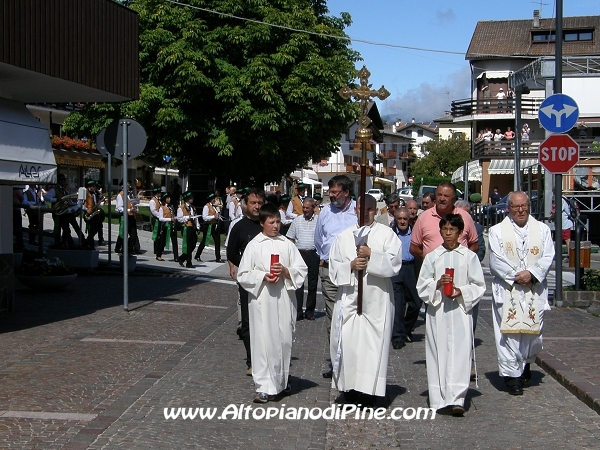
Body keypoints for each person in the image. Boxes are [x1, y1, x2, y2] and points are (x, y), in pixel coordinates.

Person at [329, 195, 402, 405]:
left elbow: (394, 264)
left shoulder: (386, 235)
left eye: (370, 209)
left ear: (376, 211)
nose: (365, 213)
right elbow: (333, 269)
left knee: (373, 347)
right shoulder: (343, 237)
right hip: (351, 299)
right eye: (362, 208)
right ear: (355, 210)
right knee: (349, 343)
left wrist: (372, 255)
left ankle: (370, 391)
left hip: (376, 300)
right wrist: (350, 265)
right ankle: (349, 389)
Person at [237, 203, 307, 403]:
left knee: (283, 341)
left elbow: (301, 269)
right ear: (262, 223)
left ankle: (282, 382)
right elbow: (243, 274)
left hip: (283, 299)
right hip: (262, 301)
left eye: (278, 222)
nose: (276, 226)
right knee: (263, 342)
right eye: (271, 222)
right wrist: (262, 276)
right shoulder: (254, 245)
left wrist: (286, 272)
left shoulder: (287, 244)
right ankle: (263, 387)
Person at [416, 214, 485, 416]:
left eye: (452, 230)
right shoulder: (432, 257)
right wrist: (436, 284)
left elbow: (479, 285)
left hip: (460, 312)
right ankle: (438, 398)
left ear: (460, 232)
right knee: (438, 352)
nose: (448, 233)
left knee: (460, 354)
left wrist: (461, 291)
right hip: (438, 312)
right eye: (444, 229)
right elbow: (421, 285)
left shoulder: (469, 257)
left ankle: (457, 398)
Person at [488, 191, 554, 396]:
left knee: (532, 333)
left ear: (529, 206)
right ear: (508, 208)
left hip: (534, 289)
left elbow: (548, 255)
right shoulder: (497, 231)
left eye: (524, 206)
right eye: (516, 207)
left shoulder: (542, 229)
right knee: (510, 334)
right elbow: (496, 260)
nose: (521, 210)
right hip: (509, 290)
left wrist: (532, 274)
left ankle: (524, 365)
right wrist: (517, 276)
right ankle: (512, 377)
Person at [314, 175, 357, 378]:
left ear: (346, 192)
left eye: (335, 192)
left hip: (353, 272)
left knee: (351, 315)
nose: (331, 196)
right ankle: (335, 362)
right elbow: (318, 239)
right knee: (332, 317)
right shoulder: (324, 212)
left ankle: (352, 360)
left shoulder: (358, 210)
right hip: (330, 271)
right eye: (329, 192)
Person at [227, 188, 266, 376]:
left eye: (259, 203)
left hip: (268, 282)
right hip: (248, 281)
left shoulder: (268, 224)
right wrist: (243, 267)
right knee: (248, 322)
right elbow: (231, 252)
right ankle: (252, 360)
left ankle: (267, 357)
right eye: (253, 203)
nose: (257, 206)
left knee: (267, 321)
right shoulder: (239, 227)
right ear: (246, 205)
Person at [410, 182, 479, 260]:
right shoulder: (423, 217)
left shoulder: (465, 217)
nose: (442, 199)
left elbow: (474, 245)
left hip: (459, 270)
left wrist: (463, 261)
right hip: (434, 270)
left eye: (446, 196)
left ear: (453, 199)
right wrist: (430, 261)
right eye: (439, 195)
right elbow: (414, 248)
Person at [390, 207, 422, 349]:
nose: (402, 221)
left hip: (411, 268)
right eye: (399, 219)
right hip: (396, 269)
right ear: (395, 219)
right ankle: (397, 337)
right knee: (398, 304)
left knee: (416, 302)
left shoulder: (415, 232)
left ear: (409, 219)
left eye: (405, 219)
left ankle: (406, 329)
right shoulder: (390, 234)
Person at [456, 199, 485, 332]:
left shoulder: (476, 227)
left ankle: (469, 334)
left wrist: (469, 261)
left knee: (471, 303)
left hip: (469, 270)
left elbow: (481, 249)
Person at [287, 197, 319, 321]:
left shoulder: (319, 220)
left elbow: (322, 238)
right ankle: (298, 311)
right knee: (298, 284)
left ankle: (310, 311)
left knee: (312, 284)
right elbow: (290, 238)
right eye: (304, 208)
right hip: (299, 254)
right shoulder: (297, 220)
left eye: (307, 208)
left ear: (313, 208)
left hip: (313, 254)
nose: (305, 210)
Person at [195, 193, 223, 263]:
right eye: (213, 198)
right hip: (208, 226)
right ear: (210, 199)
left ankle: (218, 257)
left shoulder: (213, 206)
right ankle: (197, 255)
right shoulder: (206, 207)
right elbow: (204, 217)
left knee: (217, 241)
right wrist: (213, 217)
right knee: (204, 241)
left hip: (214, 225)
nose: (215, 200)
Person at [177, 191, 200, 268]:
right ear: (187, 199)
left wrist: (198, 226)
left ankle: (181, 258)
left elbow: (195, 217)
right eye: (191, 198)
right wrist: (187, 217)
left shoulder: (192, 207)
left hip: (192, 227)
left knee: (193, 244)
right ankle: (189, 262)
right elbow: (179, 219)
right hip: (186, 227)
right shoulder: (181, 208)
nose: (192, 199)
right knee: (189, 245)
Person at [114, 184, 140, 255]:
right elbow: (119, 208)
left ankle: (130, 248)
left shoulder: (130, 195)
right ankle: (124, 249)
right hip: (125, 216)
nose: (128, 188)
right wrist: (129, 210)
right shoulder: (121, 195)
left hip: (132, 217)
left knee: (133, 235)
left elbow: (135, 205)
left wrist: (136, 209)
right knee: (123, 234)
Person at [155, 192, 176, 261]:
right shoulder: (162, 208)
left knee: (174, 241)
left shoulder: (171, 206)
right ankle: (158, 254)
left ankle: (176, 257)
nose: (169, 199)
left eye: (169, 198)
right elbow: (161, 218)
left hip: (172, 225)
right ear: (164, 199)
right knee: (162, 241)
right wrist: (170, 219)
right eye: (167, 198)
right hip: (165, 225)